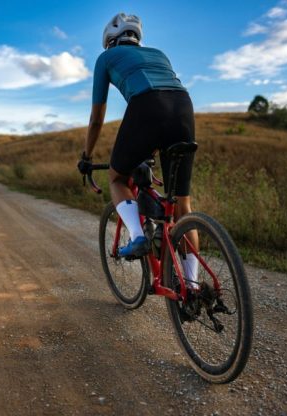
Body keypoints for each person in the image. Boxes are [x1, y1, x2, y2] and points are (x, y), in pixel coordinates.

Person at [77, 12, 198, 283]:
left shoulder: (105, 58)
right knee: (181, 205)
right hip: (184, 108)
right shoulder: (159, 54)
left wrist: (86, 156)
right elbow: (166, 102)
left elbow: (97, 118)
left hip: (146, 106)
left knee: (117, 177)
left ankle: (139, 236)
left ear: (109, 40)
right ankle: (193, 284)